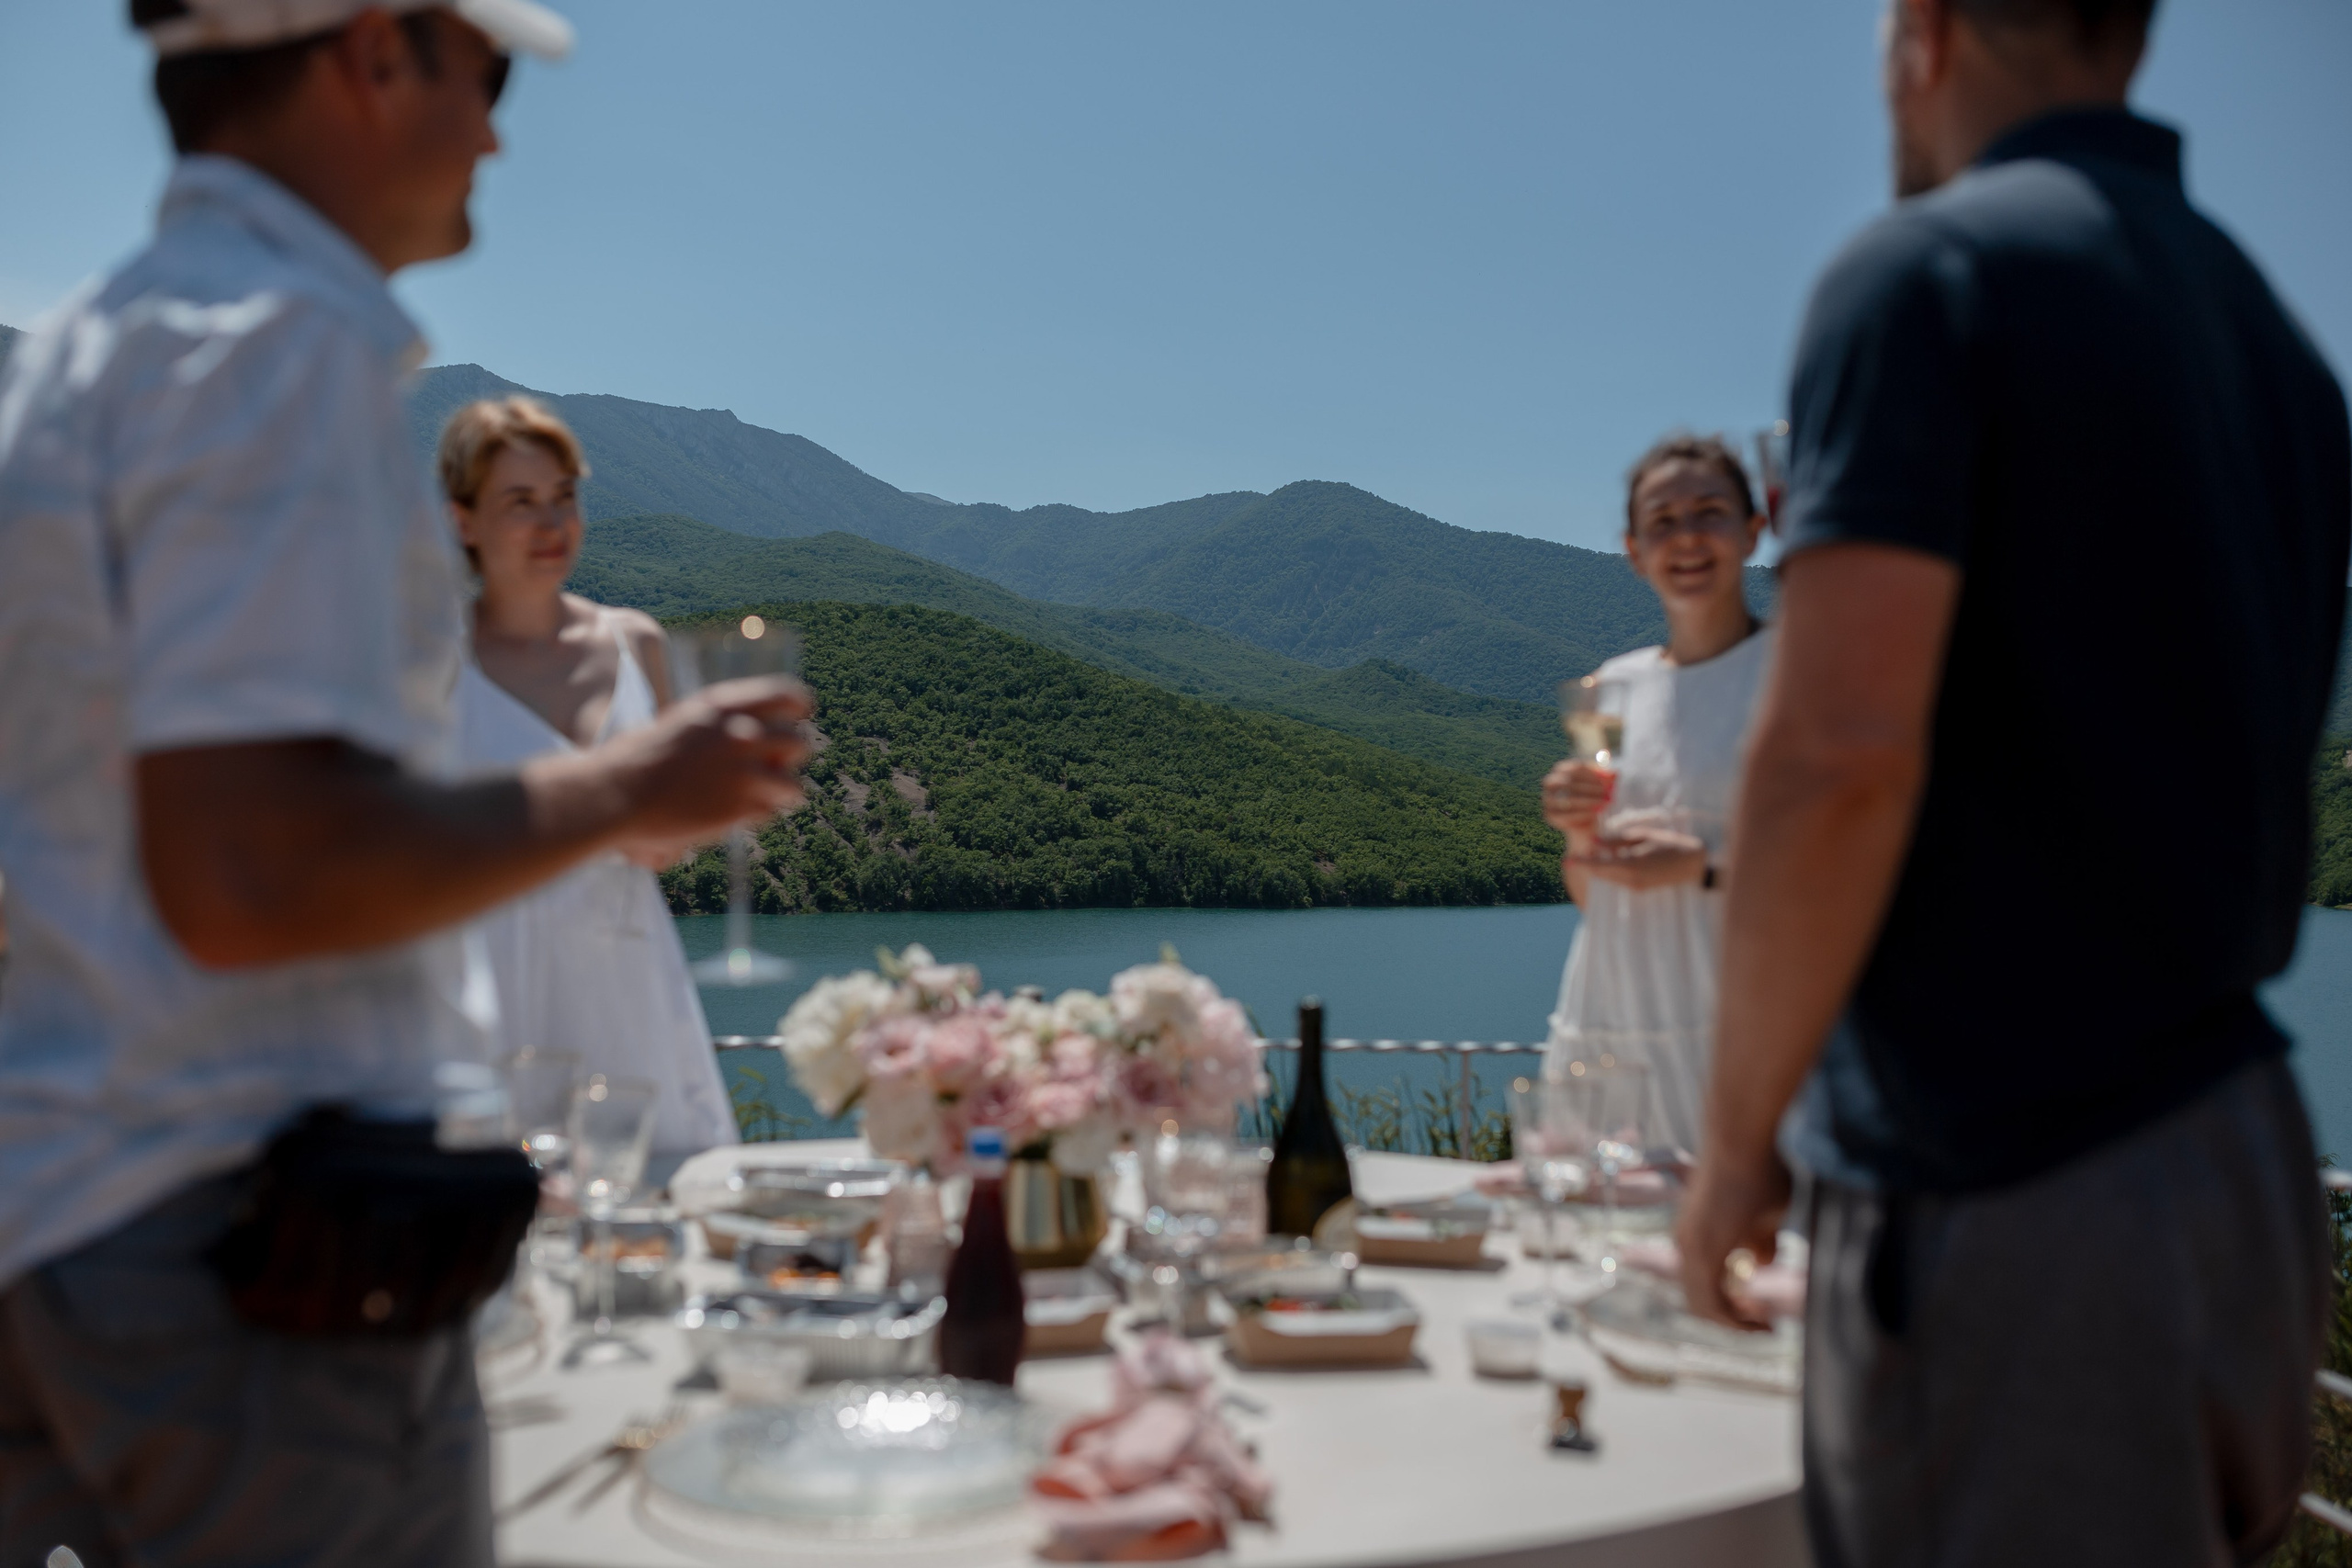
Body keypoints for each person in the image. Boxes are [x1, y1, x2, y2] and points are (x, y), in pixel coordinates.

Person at [0, 5, 812, 1564]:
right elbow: (253, 870)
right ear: (376, 53)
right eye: (489, 75)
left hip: (68, 1226)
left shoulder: (88, 356)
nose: (502, 134)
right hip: (254, 1267)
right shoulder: (268, 349)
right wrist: (630, 789)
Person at [1673, 0, 2350, 1563]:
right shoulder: (2276, 340)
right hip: (2241, 1154)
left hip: (2014, 1185)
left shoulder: (1928, 276)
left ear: (1924, 32)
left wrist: (1732, 1155)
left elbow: (1835, 760)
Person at [439, 395, 738, 1155]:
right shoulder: (434, 663)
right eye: (521, 501)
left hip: (629, 967)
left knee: (656, 1202)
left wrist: (728, 795)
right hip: (496, 972)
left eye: (564, 497)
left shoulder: (636, 641)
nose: (551, 523)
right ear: (463, 519)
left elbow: (668, 843)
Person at [1540, 434, 1772, 1154]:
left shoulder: (1792, 677)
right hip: (1608, 1007)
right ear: (1634, 550)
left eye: (1709, 512)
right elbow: (1591, 889)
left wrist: (1702, 867)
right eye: (1662, 522)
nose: (1687, 537)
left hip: (1735, 1018)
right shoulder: (1615, 685)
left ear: (1752, 532)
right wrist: (1578, 833)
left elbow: (1850, 873)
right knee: (1584, 1233)